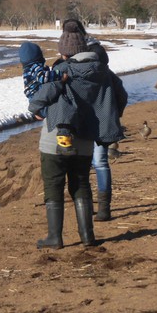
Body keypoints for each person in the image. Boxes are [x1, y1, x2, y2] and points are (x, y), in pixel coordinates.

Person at [28, 20, 127, 249]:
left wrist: (36, 111)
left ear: (65, 51)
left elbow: (40, 99)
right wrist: (104, 117)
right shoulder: (103, 72)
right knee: (81, 184)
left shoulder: (61, 70)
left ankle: (55, 237)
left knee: (54, 186)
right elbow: (121, 96)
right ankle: (87, 236)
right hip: (86, 139)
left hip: (56, 139)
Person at [56, 19, 128, 221]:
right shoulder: (100, 58)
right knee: (101, 162)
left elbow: (59, 94)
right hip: (103, 119)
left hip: (79, 121)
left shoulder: (67, 61)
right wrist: (114, 114)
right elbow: (121, 93)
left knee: (82, 165)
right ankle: (104, 209)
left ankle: (85, 208)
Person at [19, 41, 75, 155]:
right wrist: (59, 75)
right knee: (60, 106)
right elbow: (42, 77)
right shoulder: (35, 67)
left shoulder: (27, 68)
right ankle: (63, 139)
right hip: (38, 96)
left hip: (35, 97)